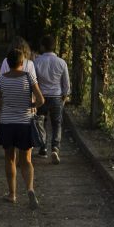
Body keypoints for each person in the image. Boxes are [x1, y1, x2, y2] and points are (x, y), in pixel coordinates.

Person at [0, 48, 45, 209]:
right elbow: (41, 100)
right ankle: (29, 189)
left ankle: (12, 194)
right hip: (25, 123)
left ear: (7, 63)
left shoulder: (1, 79)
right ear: (22, 63)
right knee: (26, 160)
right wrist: (31, 105)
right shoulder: (29, 77)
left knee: (10, 159)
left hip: (7, 123)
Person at [33, 35, 70, 163]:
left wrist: (34, 97)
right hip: (56, 97)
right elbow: (66, 85)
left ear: (43, 46)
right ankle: (55, 147)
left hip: (41, 97)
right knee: (57, 124)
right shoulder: (61, 62)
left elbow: (34, 82)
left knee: (40, 122)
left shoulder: (36, 62)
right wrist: (63, 98)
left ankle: (43, 147)